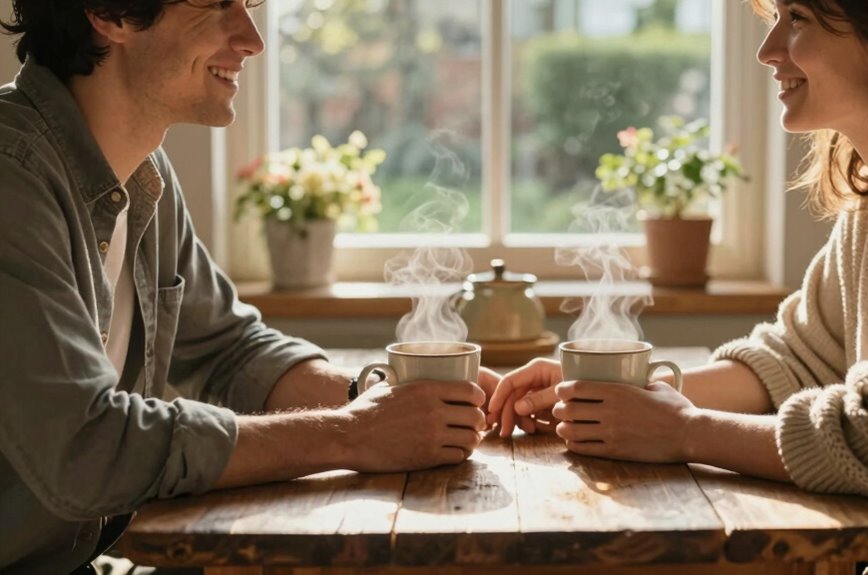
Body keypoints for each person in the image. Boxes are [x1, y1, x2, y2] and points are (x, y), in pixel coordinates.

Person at [488, 0, 868, 573]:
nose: (767, 51)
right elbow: (795, 360)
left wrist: (683, 431)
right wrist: (604, 390)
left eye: (797, 19)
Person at [0, 1, 499, 573]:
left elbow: (227, 350)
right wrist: (352, 434)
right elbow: (86, 446)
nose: (252, 39)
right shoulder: (10, 176)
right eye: (217, 5)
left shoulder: (141, 173)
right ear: (109, 13)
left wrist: (388, 396)